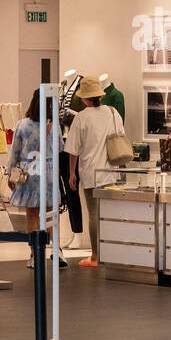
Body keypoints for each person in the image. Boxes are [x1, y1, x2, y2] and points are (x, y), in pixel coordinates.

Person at [64, 76, 126, 268]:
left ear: (84, 98)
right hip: (111, 170)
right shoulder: (113, 112)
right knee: (108, 213)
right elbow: (120, 135)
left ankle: (96, 255)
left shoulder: (82, 117)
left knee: (93, 214)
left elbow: (73, 149)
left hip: (90, 171)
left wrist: (72, 173)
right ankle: (113, 252)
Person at [7, 89, 68, 270]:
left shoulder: (23, 125)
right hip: (48, 172)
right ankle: (56, 251)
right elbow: (59, 148)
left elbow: (15, 152)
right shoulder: (53, 125)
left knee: (32, 214)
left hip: (30, 172)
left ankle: (34, 254)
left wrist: (10, 173)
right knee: (51, 214)